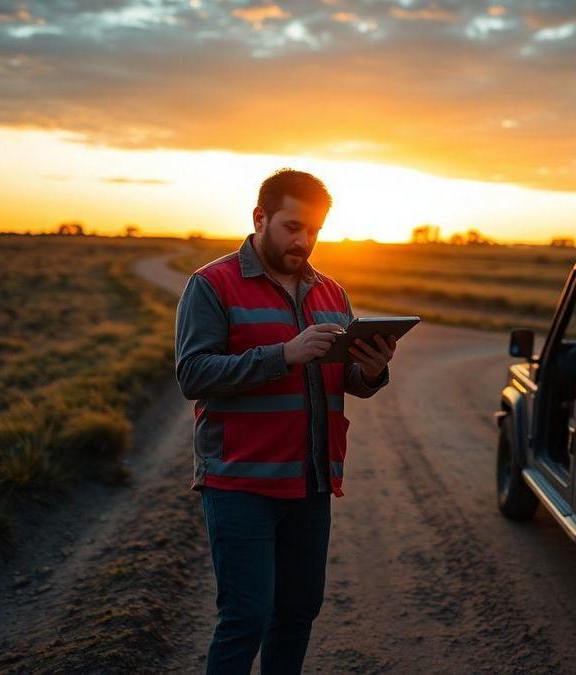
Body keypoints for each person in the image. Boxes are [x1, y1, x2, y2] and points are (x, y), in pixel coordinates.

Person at [174, 168, 397, 674]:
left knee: (296, 614)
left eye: (314, 230)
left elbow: (346, 381)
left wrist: (371, 371)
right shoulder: (210, 285)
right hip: (239, 484)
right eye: (293, 227)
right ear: (260, 217)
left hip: (312, 483)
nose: (304, 241)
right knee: (245, 618)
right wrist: (285, 354)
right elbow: (193, 374)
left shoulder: (332, 293)